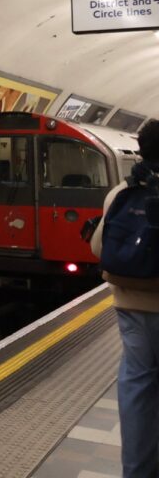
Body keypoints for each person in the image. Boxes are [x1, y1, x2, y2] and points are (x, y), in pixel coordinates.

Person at [91, 119, 159, 478]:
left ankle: (137, 470)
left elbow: (98, 247)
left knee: (136, 386)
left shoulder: (121, 193)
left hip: (131, 306)